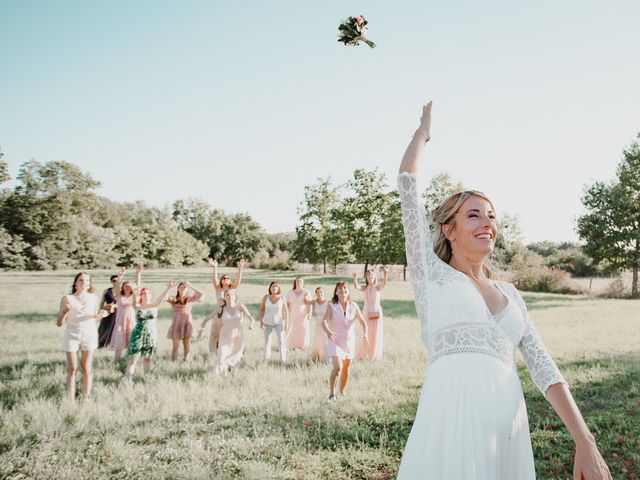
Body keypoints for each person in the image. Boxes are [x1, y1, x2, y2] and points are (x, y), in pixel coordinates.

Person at [396, 101, 611, 479]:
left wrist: (585, 441)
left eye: (492, 216)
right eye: (474, 215)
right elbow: (408, 187)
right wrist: (422, 134)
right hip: (450, 426)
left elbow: (546, 370)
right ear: (449, 229)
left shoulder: (512, 296)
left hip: (506, 432)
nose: (487, 223)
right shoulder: (430, 275)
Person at [56, 272, 108, 402]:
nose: (84, 283)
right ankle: (71, 399)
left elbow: (94, 318)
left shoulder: (94, 298)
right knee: (72, 368)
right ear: (75, 283)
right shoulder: (67, 299)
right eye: (81, 280)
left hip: (89, 334)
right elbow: (59, 323)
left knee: (86, 367)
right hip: (71, 334)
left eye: (87, 281)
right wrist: (64, 311)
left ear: (90, 283)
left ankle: (87, 397)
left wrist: (103, 313)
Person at [123, 273, 174, 383]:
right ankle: (128, 379)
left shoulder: (154, 305)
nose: (147, 295)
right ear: (141, 296)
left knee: (148, 357)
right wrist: (138, 274)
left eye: (149, 293)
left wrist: (168, 288)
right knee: (133, 358)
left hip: (150, 334)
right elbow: (135, 297)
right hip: (138, 333)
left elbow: (160, 300)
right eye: (144, 293)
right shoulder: (138, 306)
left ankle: (146, 378)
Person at [322, 282, 368, 400]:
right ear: (336, 292)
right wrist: (328, 332)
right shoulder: (332, 305)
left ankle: (342, 390)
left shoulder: (354, 306)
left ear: (348, 291)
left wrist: (365, 335)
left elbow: (363, 322)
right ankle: (332, 394)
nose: (343, 290)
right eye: (340, 288)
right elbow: (324, 322)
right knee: (338, 367)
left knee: (346, 369)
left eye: (345, 288)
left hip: (349, 342)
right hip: (335, 340)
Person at [206, 289, 255, 376]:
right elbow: (209, 317)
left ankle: (229, 376)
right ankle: (218, 376)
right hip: (224, 337)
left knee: (234, 358)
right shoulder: (220, 308)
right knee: (221, 355)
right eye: (227, 295)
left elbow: (250, 317)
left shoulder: (241, 307)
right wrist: (202, 326)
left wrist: (251, 323)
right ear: (224, 297)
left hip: (237, 337)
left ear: (235, 297)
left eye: (232, 295)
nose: (230, 297)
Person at [353, 266, 388, 361]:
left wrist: (385, 274)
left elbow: (385, 283)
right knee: (366, 332)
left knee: (375, 333)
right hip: (366, 312)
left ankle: (373, 354)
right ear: (366, 278)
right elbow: (356, 286)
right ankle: (364, 354)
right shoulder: (365, 288)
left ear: (374, 277)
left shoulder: (377, 287)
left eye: (371, 275)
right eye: (368, 275)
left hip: (376, 312)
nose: (369, 276)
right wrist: (355, 277)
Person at [167, 281, 204, 361]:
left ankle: (186, 361)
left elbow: (201, 295)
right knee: (175, 347)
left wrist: (191, 286)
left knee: (186, 346)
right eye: (181, 287)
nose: (183, 288)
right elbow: (165, 298)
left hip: (187, 323)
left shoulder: (189, 299)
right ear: (178, 289)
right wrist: (168, 288)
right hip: (177, 324)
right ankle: (174, 362)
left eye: (185, 287)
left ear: (187, 289)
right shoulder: (174, 299)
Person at [109, 266, 139, 362]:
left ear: (132, 288)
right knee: (119, 341)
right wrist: (121, 275)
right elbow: (117, 284)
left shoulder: (134, 296)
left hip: (131, 321)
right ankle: (117, 360)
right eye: (125, 285)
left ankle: (131, 360)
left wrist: (138, 274)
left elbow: (138, 284)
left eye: (129, 286)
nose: (127, 287)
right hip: (120, 321)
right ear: (123, 287)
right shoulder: (119, 295)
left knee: (131, 341)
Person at [258, 281, 289, 362]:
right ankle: (266, 359)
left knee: (281, 342)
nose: (274, 288)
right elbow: (261, 310)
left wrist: (286, 323)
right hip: (267, 322)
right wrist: (261, 322)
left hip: (279, 322)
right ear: (270, 288)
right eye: (273, 286)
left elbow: (286, 311)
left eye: (276, 286)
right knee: (267, 342)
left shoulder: (282, 298)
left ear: (278, 288)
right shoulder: (265, 297)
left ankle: (283, 360)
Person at [303, 287, 329, 361]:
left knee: (324, 340)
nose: (319, 294)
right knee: (317, 339)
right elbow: (306, 302)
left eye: (321, 292)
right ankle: (317, 355)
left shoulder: (328, 302)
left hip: (326, 323)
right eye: (318, 292)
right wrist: (305, 294)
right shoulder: (315, 302)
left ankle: (324, 357)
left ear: (324, 293)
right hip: (318, 323)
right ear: (316, 294)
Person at [286, 277, 311, 351]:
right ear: (295, 283)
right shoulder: (290, 292)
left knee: (302, 328)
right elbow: (286, 303)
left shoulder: (306, 292)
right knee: (291, 328)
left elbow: (309, 304)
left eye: (300, 282)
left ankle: (302, 346)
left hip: (302, 314)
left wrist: (309, 313)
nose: (299, 283)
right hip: (292, 314)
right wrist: (286, 312)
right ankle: (291, 345)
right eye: (297, 281)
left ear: (303, 283)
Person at [97, 274, 118, 348]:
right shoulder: (106, 291)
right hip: (106, 312)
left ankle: (112, 344)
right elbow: (102, 302)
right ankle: (102, 344)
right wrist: (100, 311)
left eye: (118, 280)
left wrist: (114, 306)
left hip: (117, 312)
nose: (116, 282)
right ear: (111, 281)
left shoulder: (122, 291)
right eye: (114, 281)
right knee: (104, 327)